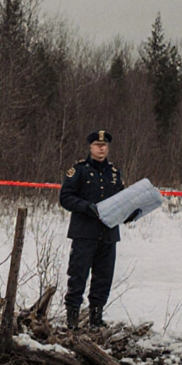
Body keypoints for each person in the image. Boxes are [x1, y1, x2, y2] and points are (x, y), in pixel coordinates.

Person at [60, 130, 126, 328]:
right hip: (84, 232)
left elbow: (122, 198)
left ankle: (96, 317)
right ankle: (72, 317)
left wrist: (131, 211)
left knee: (103, 277)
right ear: (91, 147)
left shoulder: (114, 173)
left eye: (104, 145)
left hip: (108, 233)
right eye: (97, 145)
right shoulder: (79, 170)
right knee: (78, 275)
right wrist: (85, 207)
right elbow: (65, 197)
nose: (101, 148)